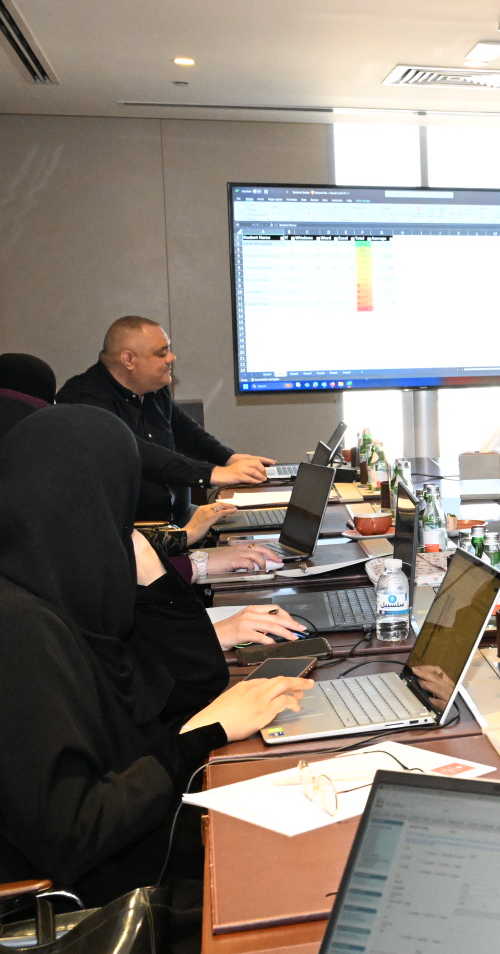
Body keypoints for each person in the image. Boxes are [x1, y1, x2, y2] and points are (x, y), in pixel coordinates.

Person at [0, 406, 312, 904]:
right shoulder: (20, 632)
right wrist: (203, 734)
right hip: (108, 897)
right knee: (297, 876)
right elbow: (74, 835)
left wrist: (156, 577)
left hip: (143, 834)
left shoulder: (67, 590)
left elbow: (193, 683)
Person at [56, 316, 275, 522]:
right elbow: (136, 452)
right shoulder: (83, 398)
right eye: (161, 354)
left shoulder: (153, 387)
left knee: (249, 523)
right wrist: (213, 474)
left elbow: (186, 431)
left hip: (178, 518)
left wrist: (229, 458)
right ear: (128, 360)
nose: (172, 358)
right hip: (132, 532)